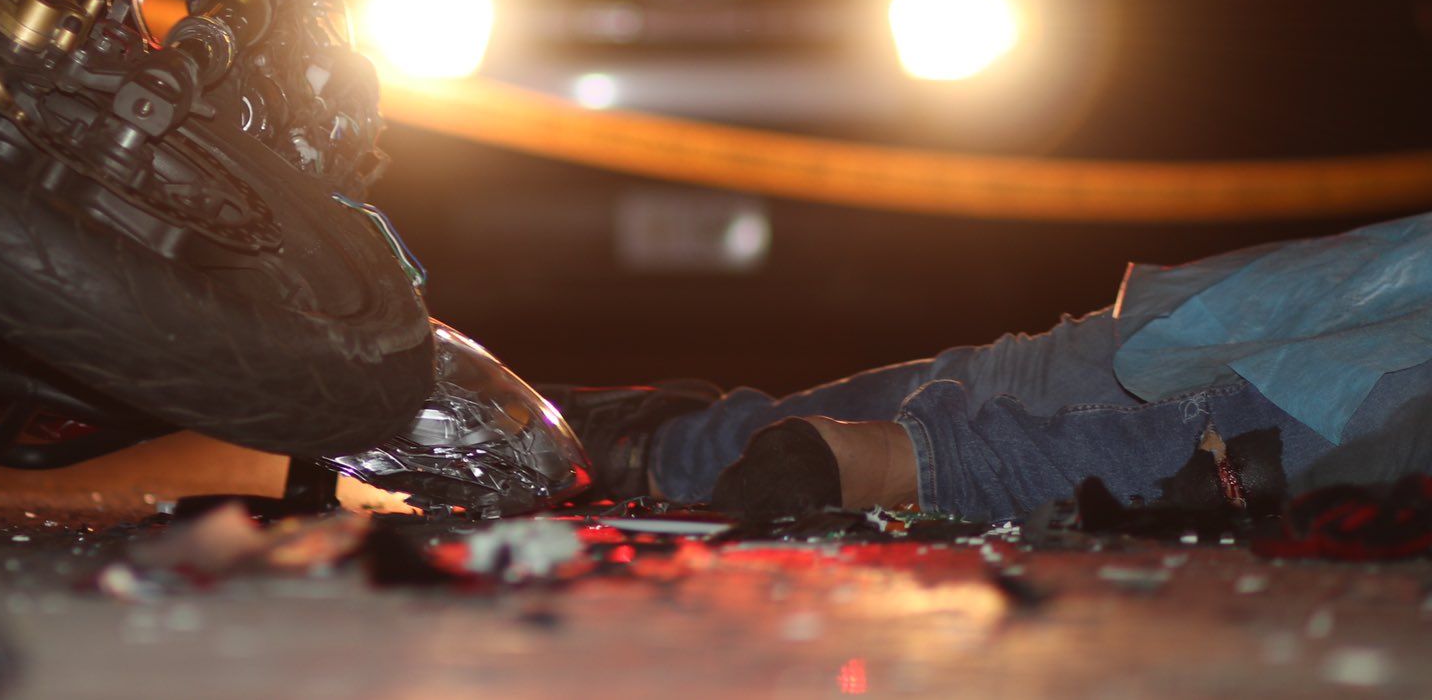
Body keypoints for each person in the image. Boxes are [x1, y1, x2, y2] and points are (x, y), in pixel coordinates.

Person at [547, 213, 1432, 523]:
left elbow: (1224, 455)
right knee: (1037, 377)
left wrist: (888, 461)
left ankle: (662, 442)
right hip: (1282, 325)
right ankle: (654, 444)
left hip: (1279, 362)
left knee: (1042, 386)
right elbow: (1221, 443)